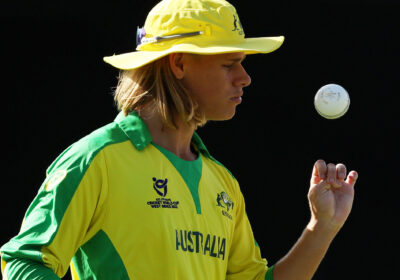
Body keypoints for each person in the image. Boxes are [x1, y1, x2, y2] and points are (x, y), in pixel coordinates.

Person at [0, 0, 359, 279]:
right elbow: (23, 263)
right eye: (228, 63)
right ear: (178, 64)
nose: (245, 77)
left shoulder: (223, 183)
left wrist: (321, 228)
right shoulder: (96, 160)